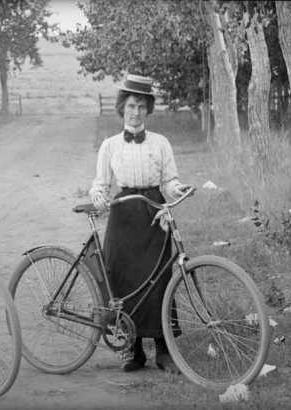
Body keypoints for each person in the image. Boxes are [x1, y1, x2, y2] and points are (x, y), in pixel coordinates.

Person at [89, 74, 191, 374]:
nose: (136, 112)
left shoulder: (160, 143)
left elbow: (169, 182)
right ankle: (134, 351)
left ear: (149, 110)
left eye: (142, 106)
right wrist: (97, 196)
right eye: (132, 105)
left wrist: (178, 189)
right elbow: (100, 184)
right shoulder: (109, 146)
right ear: (122, 108)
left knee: (159, 280)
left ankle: (162, 350)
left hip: (154, 216)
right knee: (122, 281)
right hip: (122, 218)